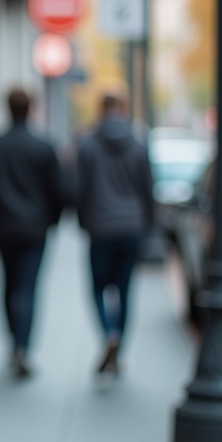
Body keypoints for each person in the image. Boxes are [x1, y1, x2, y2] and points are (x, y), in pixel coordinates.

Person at [0, 88, 64, 379]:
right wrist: (51, 219)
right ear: (31, 108)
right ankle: (23, 346)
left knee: (9, 285)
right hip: (35, 229)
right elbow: (58, 190)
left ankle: (14, 342)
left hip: (4, 227)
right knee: (29, 286)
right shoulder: (44, 146)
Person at [74, 91, 154, 381]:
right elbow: (147, 188)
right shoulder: (138, 143)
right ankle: (118, 345)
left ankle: (108, 333)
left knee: (97, 288)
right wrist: (147, 224)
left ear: (100, 109)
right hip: (132, 227)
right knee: (125, 290)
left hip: (100, 227)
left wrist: (84, 222)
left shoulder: (88, 144)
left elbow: (79, 190)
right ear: (122, 109)